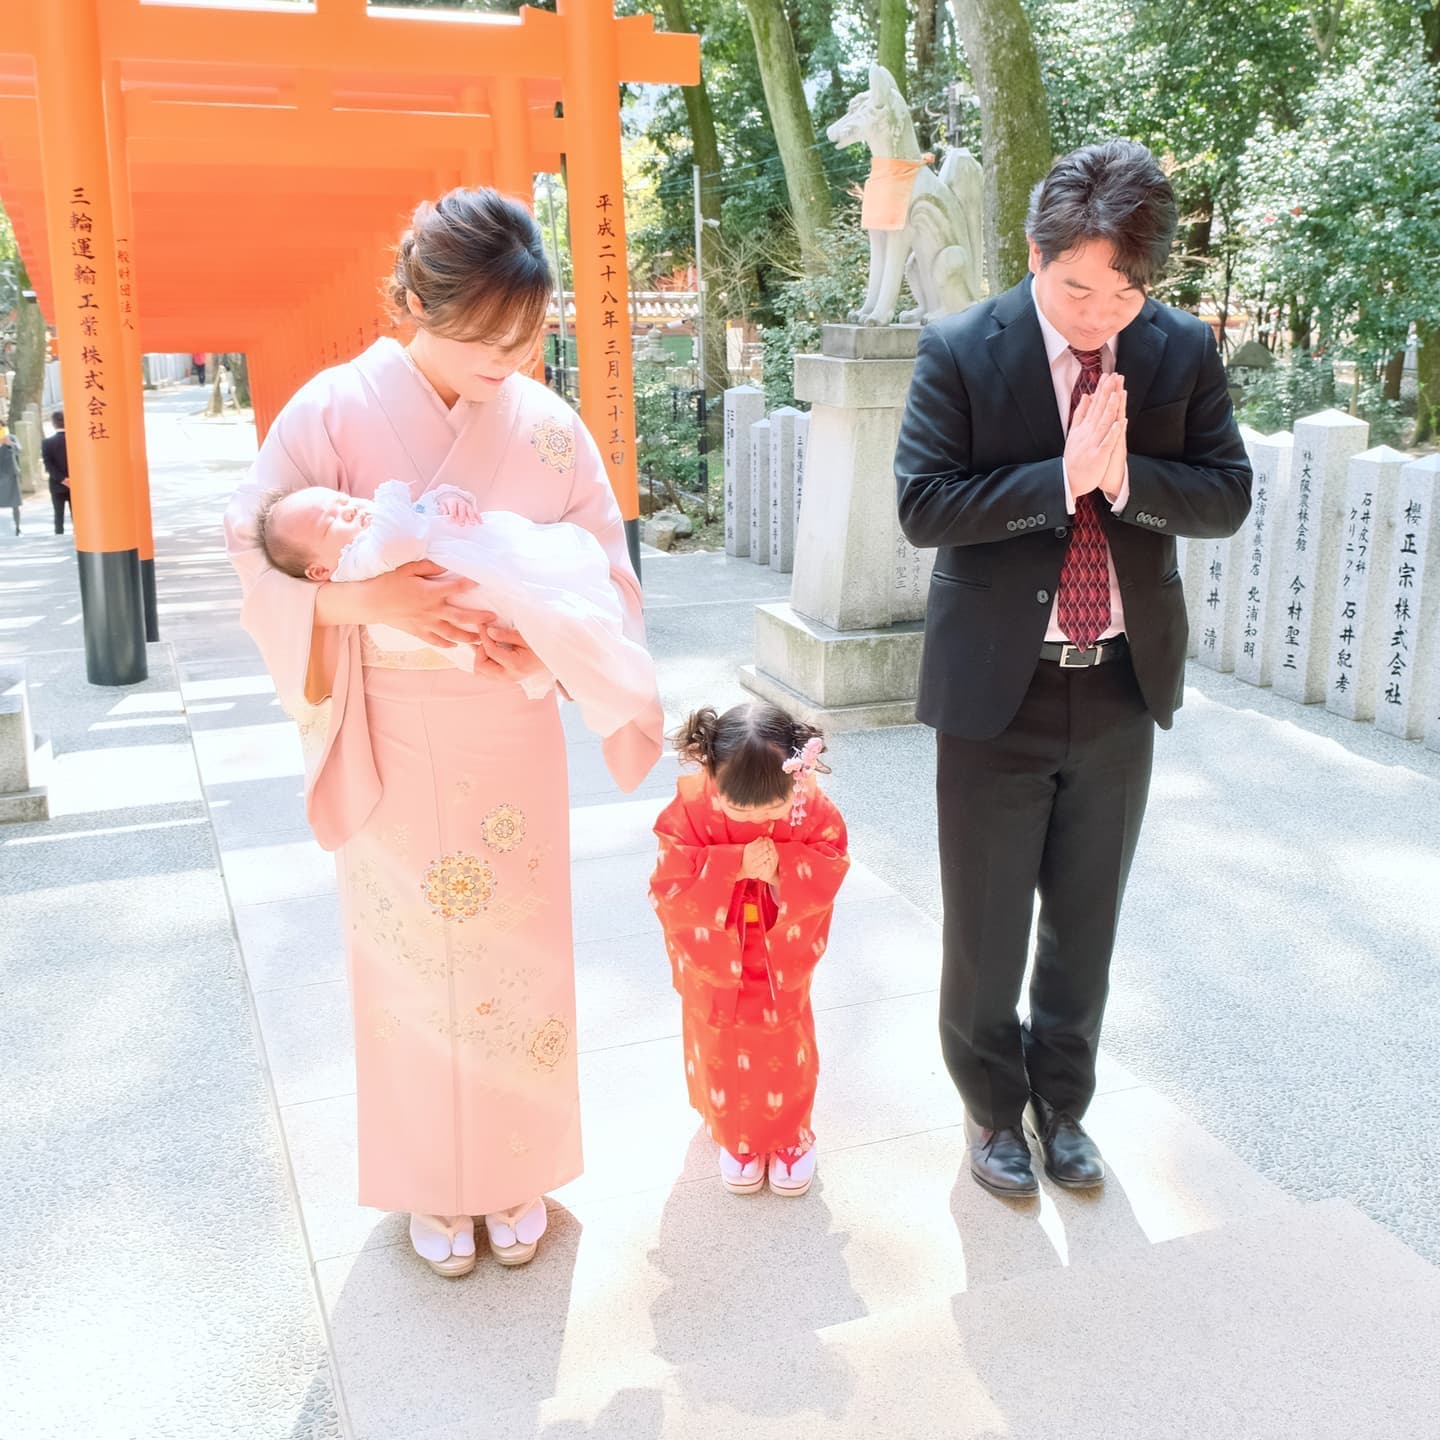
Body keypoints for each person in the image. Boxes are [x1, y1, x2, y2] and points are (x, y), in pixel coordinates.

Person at [225, 186, 664, 1277]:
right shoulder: (328, 410)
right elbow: (254, 554)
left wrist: (546, 649)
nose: (509, 358)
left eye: (528, 335)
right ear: (415, 299)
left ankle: (516, 1168)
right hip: (386, 718)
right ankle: (430, 1180)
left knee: (514, 953)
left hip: (502, 720)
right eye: (483, 336)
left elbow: (605, 576)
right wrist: (367, 604)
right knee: (410, 963)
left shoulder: (551, 431)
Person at [894, 140, 1252, 1200]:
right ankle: (992, 1112)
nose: (1100, 315)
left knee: (1085, 923)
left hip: (1117, 685)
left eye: (1125, 292)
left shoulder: (1179, 351)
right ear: (1034, 254)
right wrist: (1062, 477)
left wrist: (1125, 475)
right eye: (1076, 288)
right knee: (987, 924)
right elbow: (923, 507)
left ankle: (1066, 1106)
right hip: (994, 689)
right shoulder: (964, 347)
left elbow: (1225, 495)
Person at [257, 479, 659, 739]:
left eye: (343, 501)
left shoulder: (374, 531)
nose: (350, 511)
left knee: (559, 602)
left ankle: (602, 666)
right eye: (332, 523)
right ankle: (610, 677)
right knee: (549, 616)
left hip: (489, 568)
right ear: (319, 569)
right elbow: (400, 536)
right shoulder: (358, 563)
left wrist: (450, 498)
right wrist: (391, 493)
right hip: (424, 684)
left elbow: (425, 510)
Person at [649, 702, 850, 1198]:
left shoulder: (810, 805)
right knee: (719, 1033)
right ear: (712, 771)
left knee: (784, 1035)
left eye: (772, 805)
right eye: (741, 807)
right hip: (716, 952)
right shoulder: (691, 810)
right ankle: (734, 1135)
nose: (759, 816)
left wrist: (782, 865)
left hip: (780, 950)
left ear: (797, 774)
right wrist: (731, 867)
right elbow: (669, 882)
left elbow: (831, 857)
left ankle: (789, 1136)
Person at [41, 411, 68, 536]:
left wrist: (62, 479)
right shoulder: (75, 440)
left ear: (53, 424)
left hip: (56, 484)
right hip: (75, 484)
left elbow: (48, 466)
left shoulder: (47, 443)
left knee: (58, 514)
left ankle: (59, 536)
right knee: (78, 515)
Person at [0, 427, 21, 535]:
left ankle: (18, 527)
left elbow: (18, 450)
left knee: (15, 504)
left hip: (10, 474)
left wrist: (9, 444)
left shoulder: (11, 437)